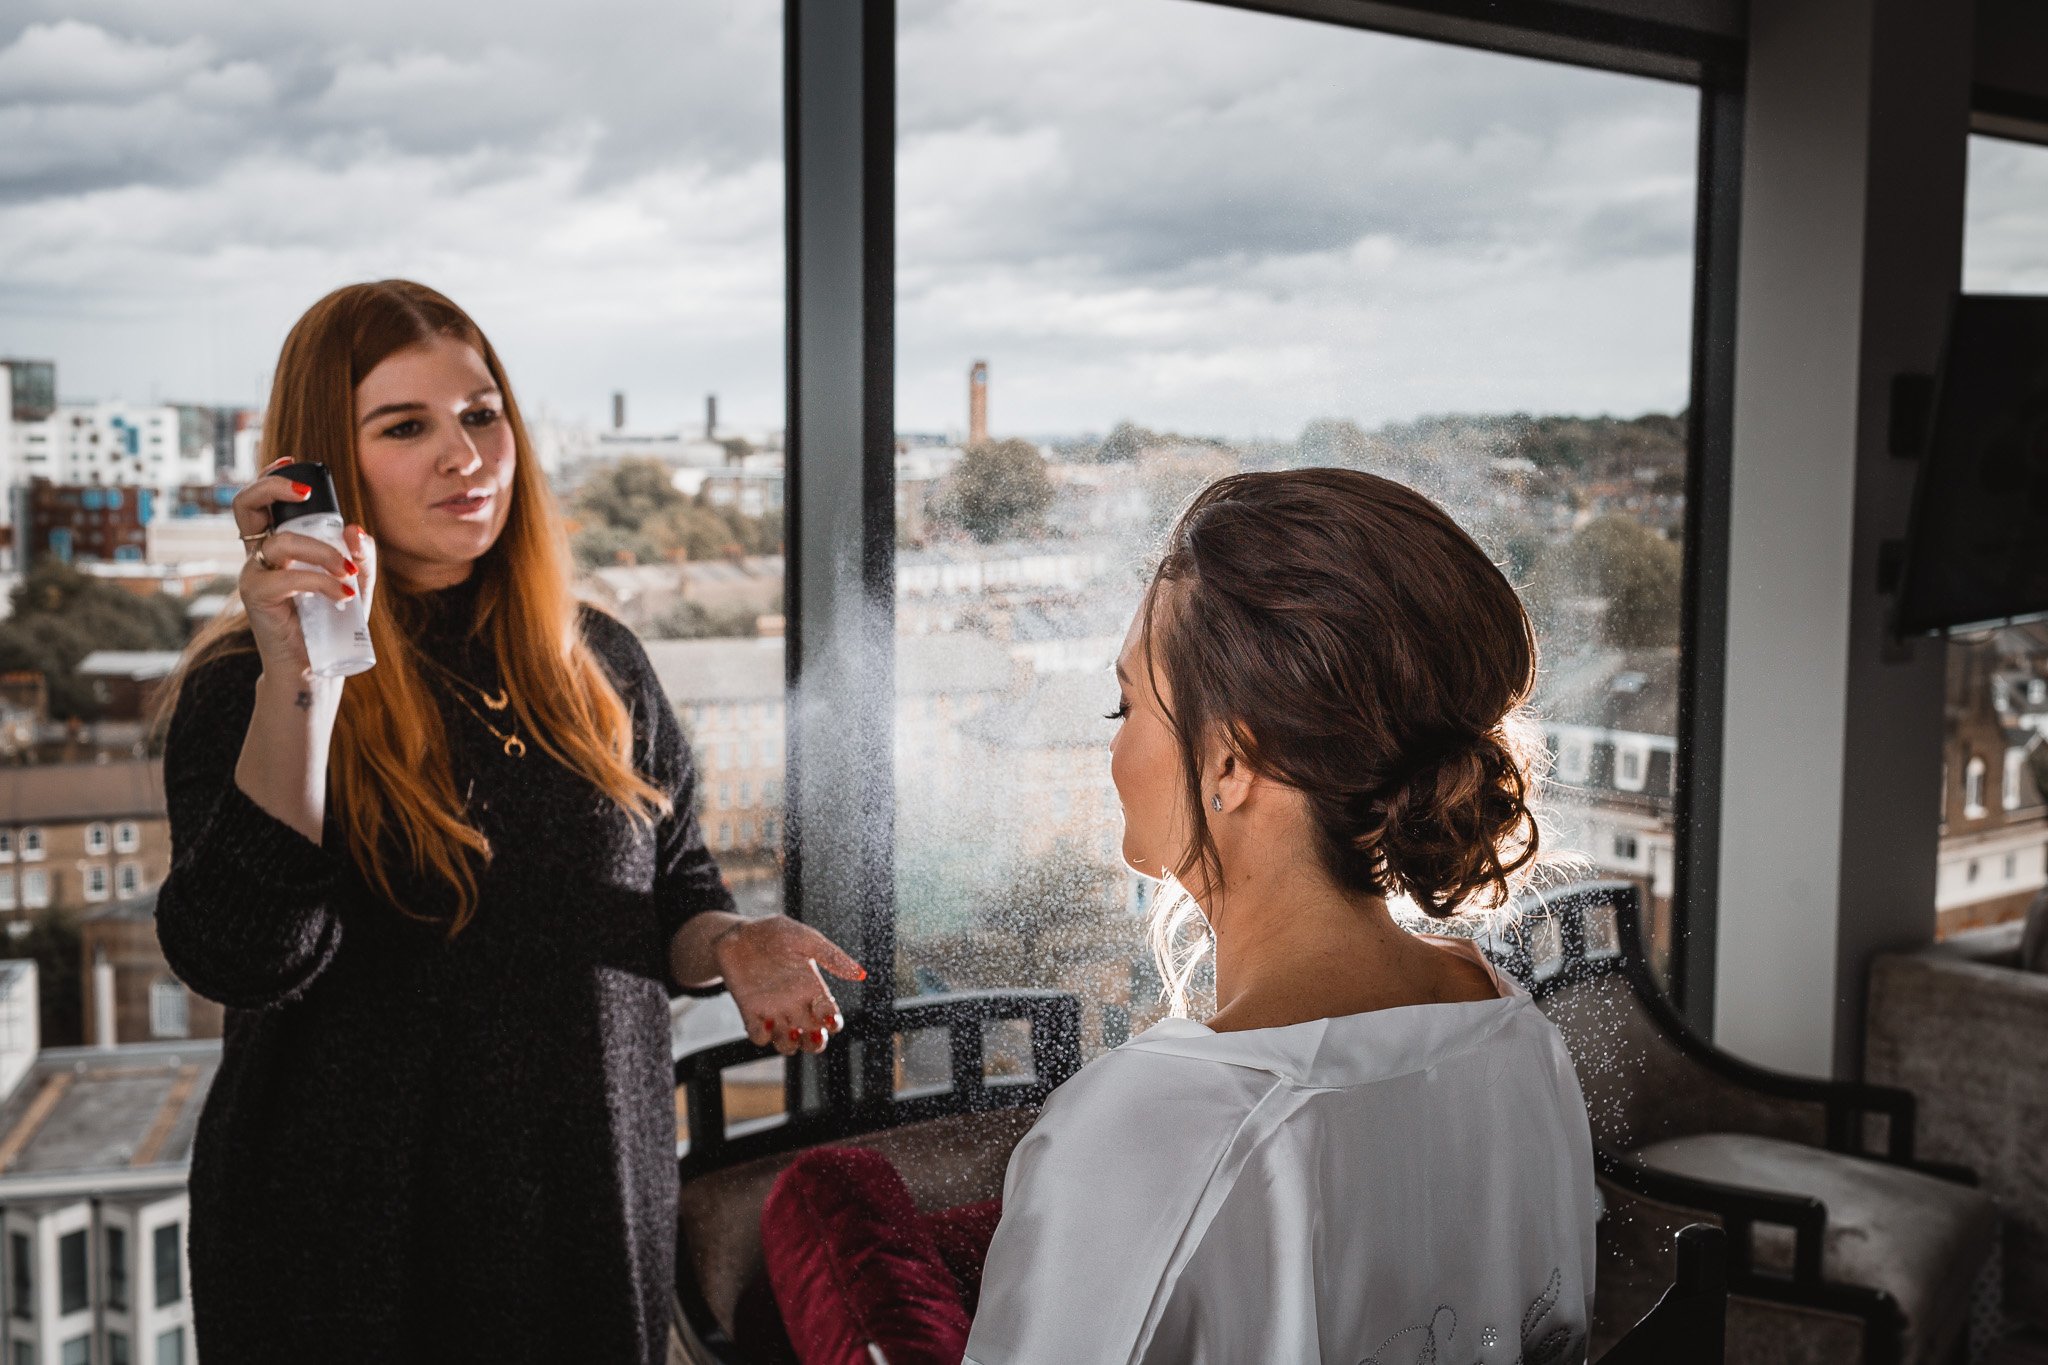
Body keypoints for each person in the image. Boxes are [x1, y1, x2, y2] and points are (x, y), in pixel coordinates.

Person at [154, 279, 861, 1364]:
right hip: (349, 1256)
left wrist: (735, 944)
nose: (464, 454)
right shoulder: (248, 691)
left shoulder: (596, 662)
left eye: (482, 415)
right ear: (319, 473)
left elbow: (673, 893)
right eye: (405, 426)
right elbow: (241, 958)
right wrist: (304, 675)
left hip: (586, 1219)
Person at [960, 468, 1597, 1363]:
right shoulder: (1513, 1031)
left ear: (1230, 761)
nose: (1113, 744)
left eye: (1128, 704)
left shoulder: (1144, 1128)